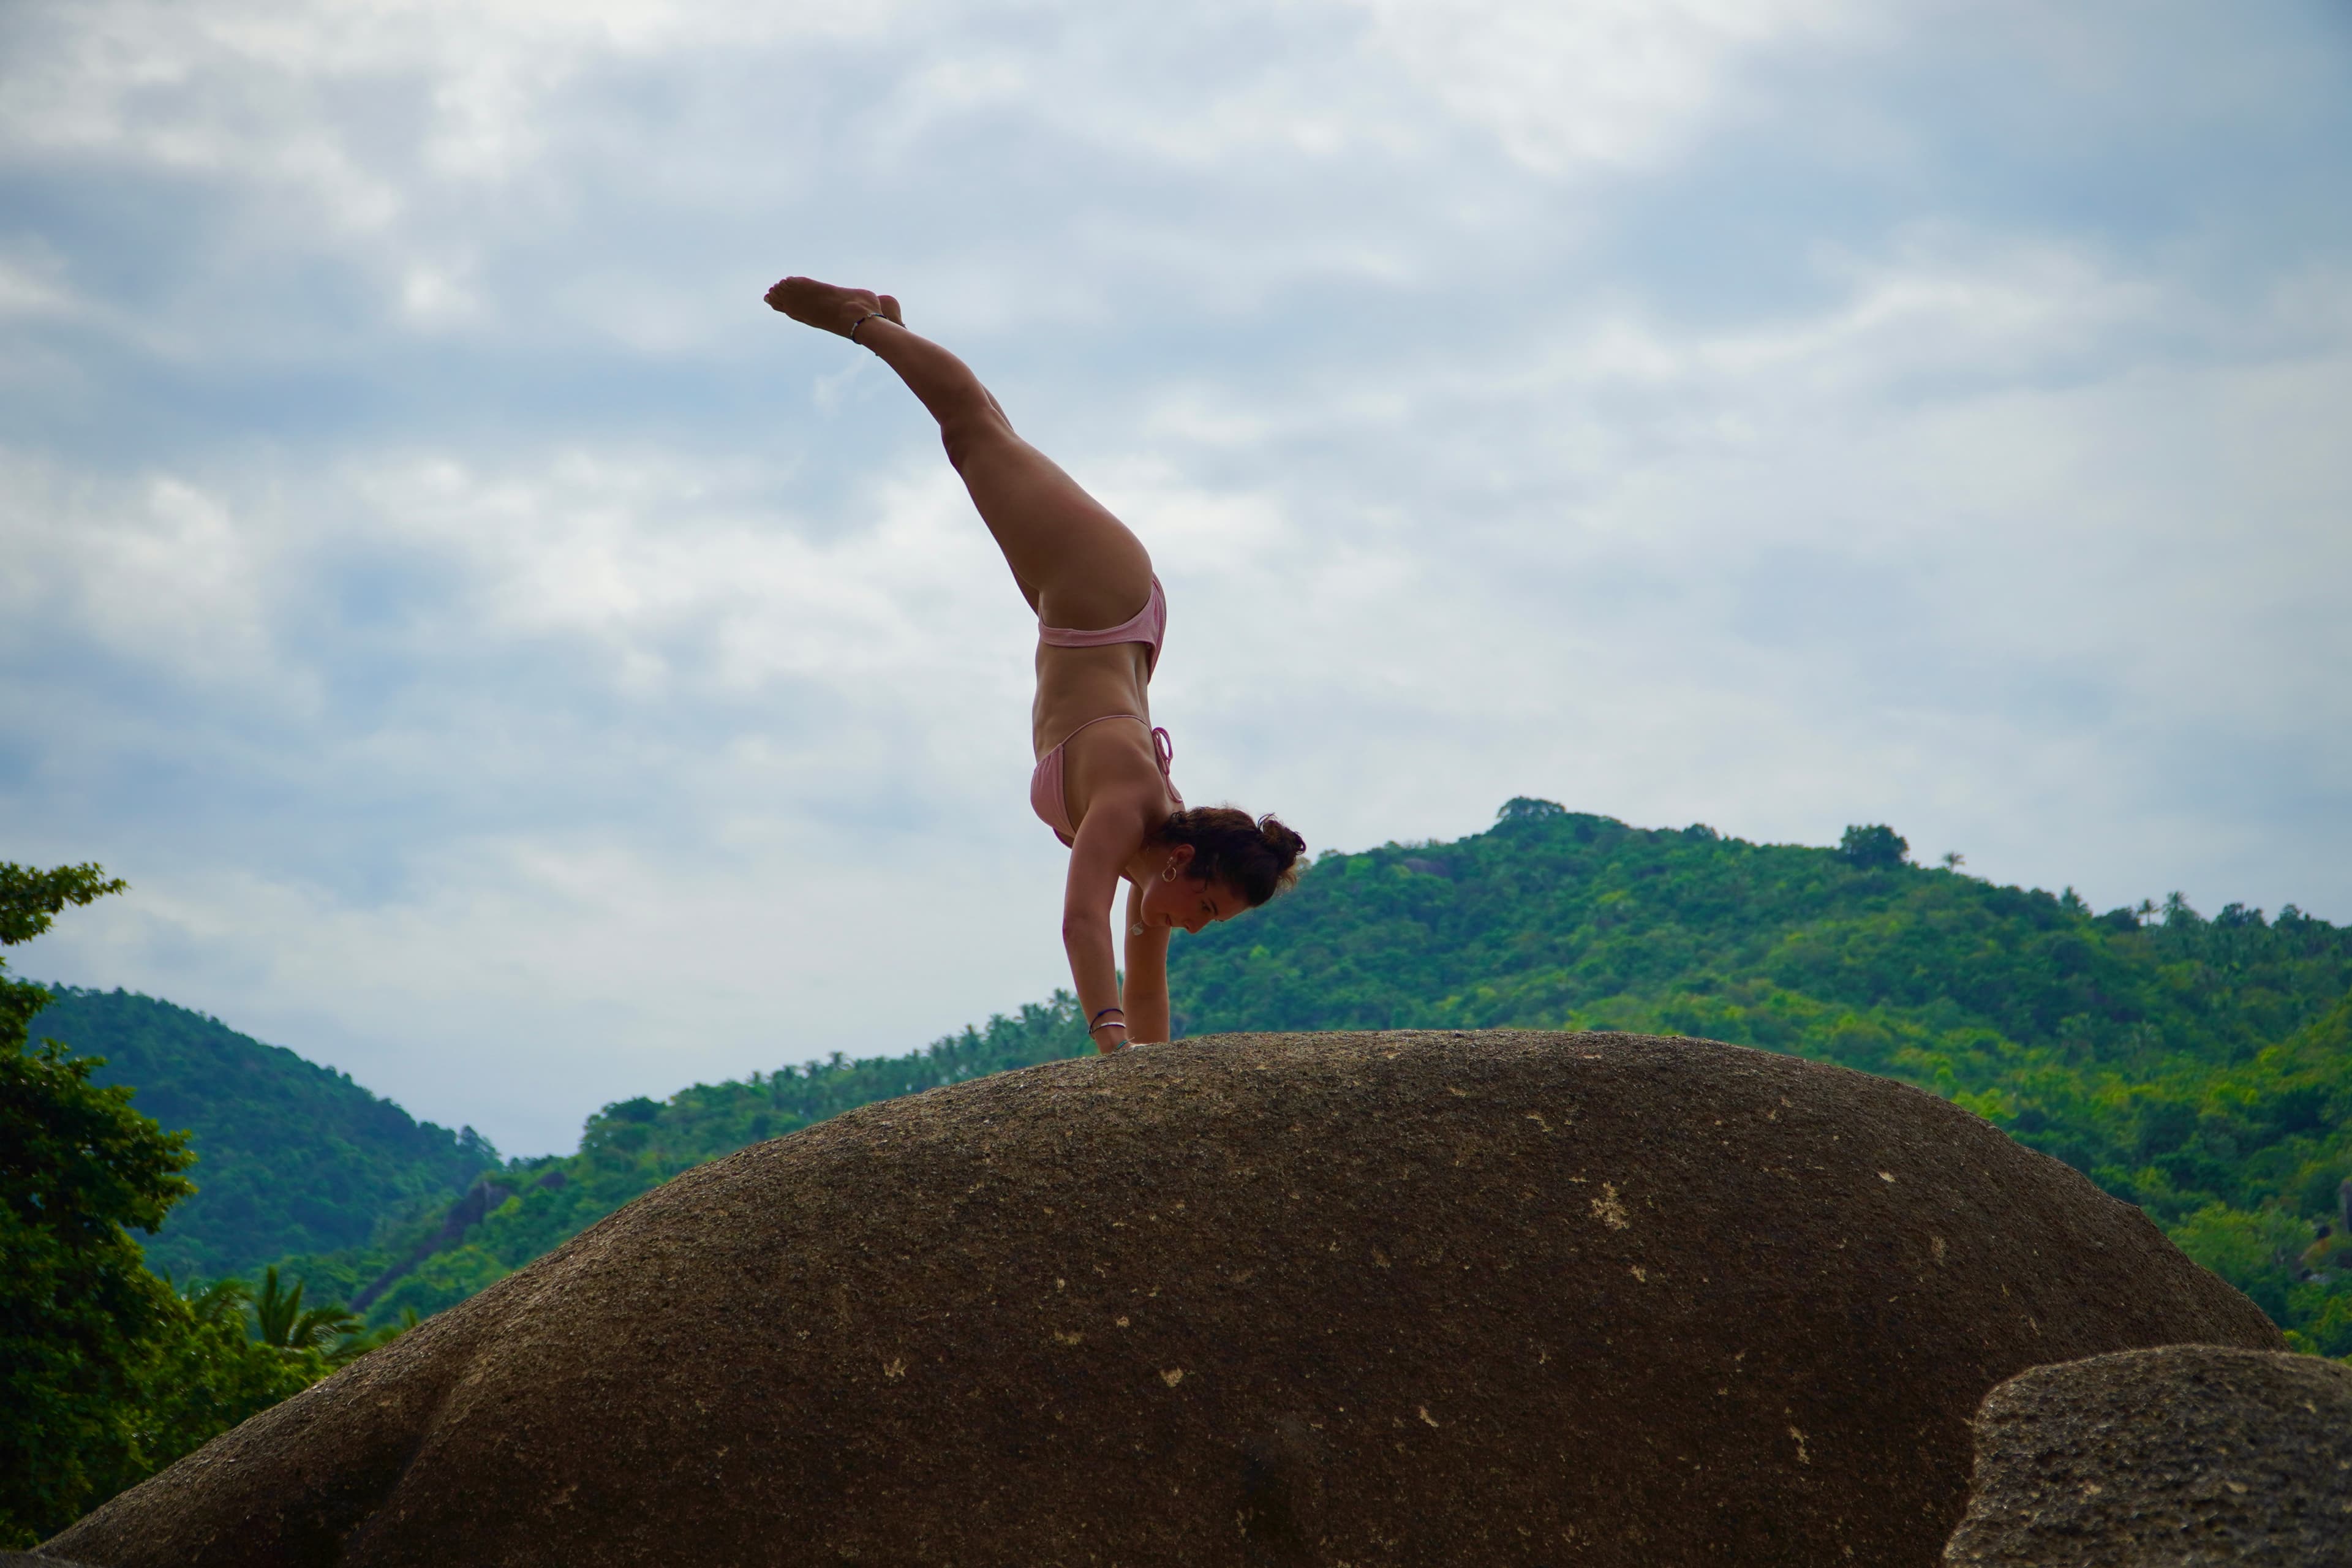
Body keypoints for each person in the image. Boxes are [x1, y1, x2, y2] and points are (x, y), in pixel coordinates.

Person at [764, 277, 1306, 1054]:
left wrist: (1150, 1088)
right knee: (975, 434)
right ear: (1185, 862)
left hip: (1091, 620)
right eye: (1209, 907)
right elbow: (1078, 921)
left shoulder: (1148, 864)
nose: (1197, 924)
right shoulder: (1128, 805)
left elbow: (1144, 977)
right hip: (1100, 590)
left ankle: (895, 330)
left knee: (988, 444)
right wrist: (1108, 1040)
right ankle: (862, 323)